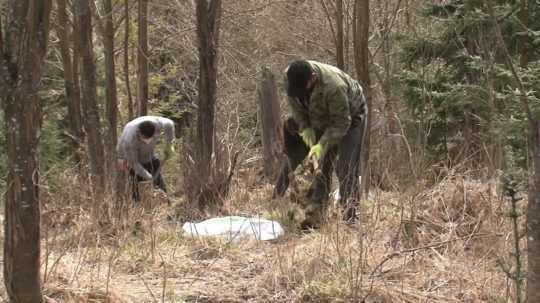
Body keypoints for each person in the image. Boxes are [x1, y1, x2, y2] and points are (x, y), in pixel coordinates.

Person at [274, 59, 367, 225]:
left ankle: (351, 216)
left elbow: (341, 124)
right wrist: (305, 127)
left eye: (303, 89)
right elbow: (295, 107)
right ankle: (316, 213)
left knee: (346, 167)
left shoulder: (334, 87)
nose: (299, 93)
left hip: (350, 118)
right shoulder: (290, 77)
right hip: (319, 117)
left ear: (313, 78)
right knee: (321, 167)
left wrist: (322, 145)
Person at [117, 116, 175, 201]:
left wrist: (169, 144)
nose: (147, 141)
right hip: (133, 159)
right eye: (144, 138)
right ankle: (138, 205)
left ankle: (165, 203)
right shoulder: (129, 140)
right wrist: (149, 177)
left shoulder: (157, 124)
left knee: (158, 180)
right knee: (136, 186)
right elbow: (134, 163)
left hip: (150, 156)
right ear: (139, 133)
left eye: (150, 138)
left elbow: (170, 123)